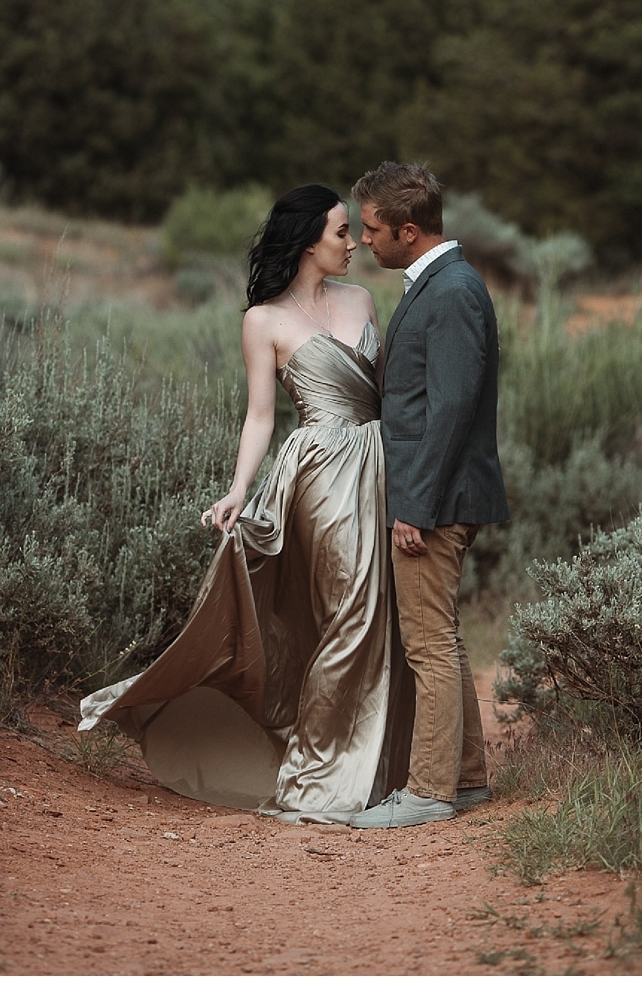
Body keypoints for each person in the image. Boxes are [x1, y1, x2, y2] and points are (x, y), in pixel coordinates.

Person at [78, 184, 411, 823]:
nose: (354, 244)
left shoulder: (363, 299)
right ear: (309, 239)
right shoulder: (263, 321)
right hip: (321, 471)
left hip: (383, 463)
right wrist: (238, 490)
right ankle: (317, 775)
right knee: (350, 606)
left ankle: (380, 766)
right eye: (342, 232)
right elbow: (259, 417)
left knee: (385, 610)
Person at [347, 161, 506, 829]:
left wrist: (414, 503)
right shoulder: (440, 282)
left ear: (408, 231)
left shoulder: (450, 292)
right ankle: (465, 780)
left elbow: (449, 408)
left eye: (372, 228)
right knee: (444, 637)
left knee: (428, 644)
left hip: (434, 500)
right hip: (437, 493)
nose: (362, 239)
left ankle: (428, 791)